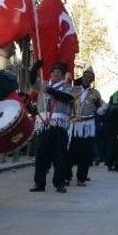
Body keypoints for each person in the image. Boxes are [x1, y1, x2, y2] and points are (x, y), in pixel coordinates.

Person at [31, 61, 73, 193]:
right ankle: (39, 183)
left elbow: (67, 98)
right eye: (54, 72)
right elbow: (32, 80)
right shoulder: (43, 84)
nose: (56, 74)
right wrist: (35, 68)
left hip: (58, 124)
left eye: (59, 72)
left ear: (62, 75)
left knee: (59, 156)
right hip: (44, 123)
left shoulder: (67, 87)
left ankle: (59, 183)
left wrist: (50, 90)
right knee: (41, 155)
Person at [67, 66, 103, 186]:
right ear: (82, 77)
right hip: (74, 125)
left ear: (92, 79)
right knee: (70, 151)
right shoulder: (74, 90)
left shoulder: (95, 93)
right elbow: (66, 103)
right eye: (85, 76)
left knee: (86, 153)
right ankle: (66, 176)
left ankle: (81, 178)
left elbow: (102, 106)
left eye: (90, 77)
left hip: (88, 126)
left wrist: (101, 109)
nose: (87, 79)